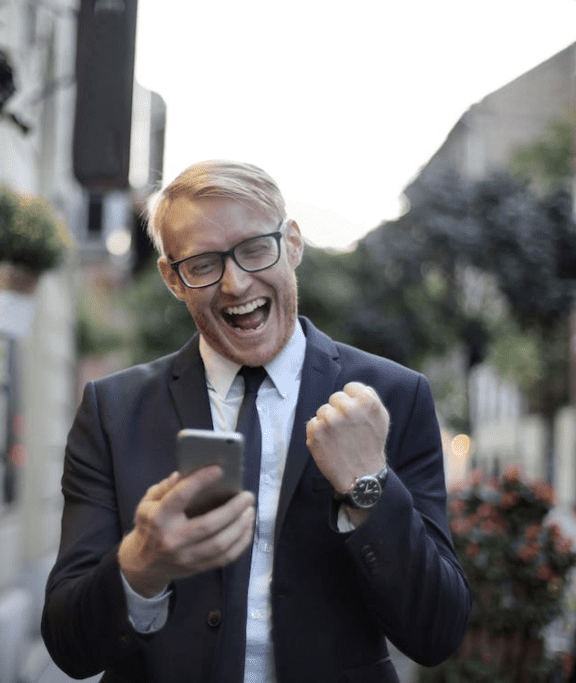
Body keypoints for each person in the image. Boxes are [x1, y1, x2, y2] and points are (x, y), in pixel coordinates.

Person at [41, 160, 471, 682]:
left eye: (254, 249)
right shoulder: (112, 410)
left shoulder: (394, 398)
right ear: (172, 279)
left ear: (292, 244)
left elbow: (436, 633)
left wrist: (368, 487)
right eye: (202, 264)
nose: (235, 283)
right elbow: (70, 648)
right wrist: (141, 565)